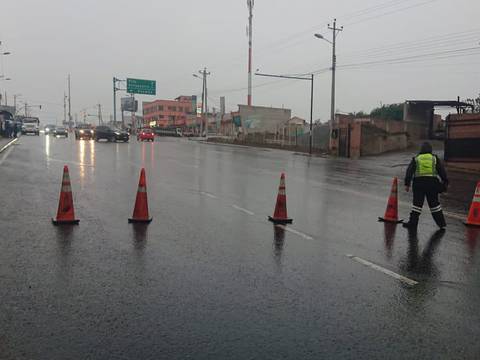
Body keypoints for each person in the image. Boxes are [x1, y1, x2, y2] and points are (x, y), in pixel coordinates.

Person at [403, 142, 448, 231]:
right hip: (432, 184)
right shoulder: (434, 158)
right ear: (430, 150)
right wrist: (445, 181)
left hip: (419, 184)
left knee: (417, 205)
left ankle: (413, 224)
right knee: (434, 204)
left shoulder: (416, 159)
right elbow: (441, 171)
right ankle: (441, 224)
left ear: (421, 150)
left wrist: (407, 184)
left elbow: (409, 172)